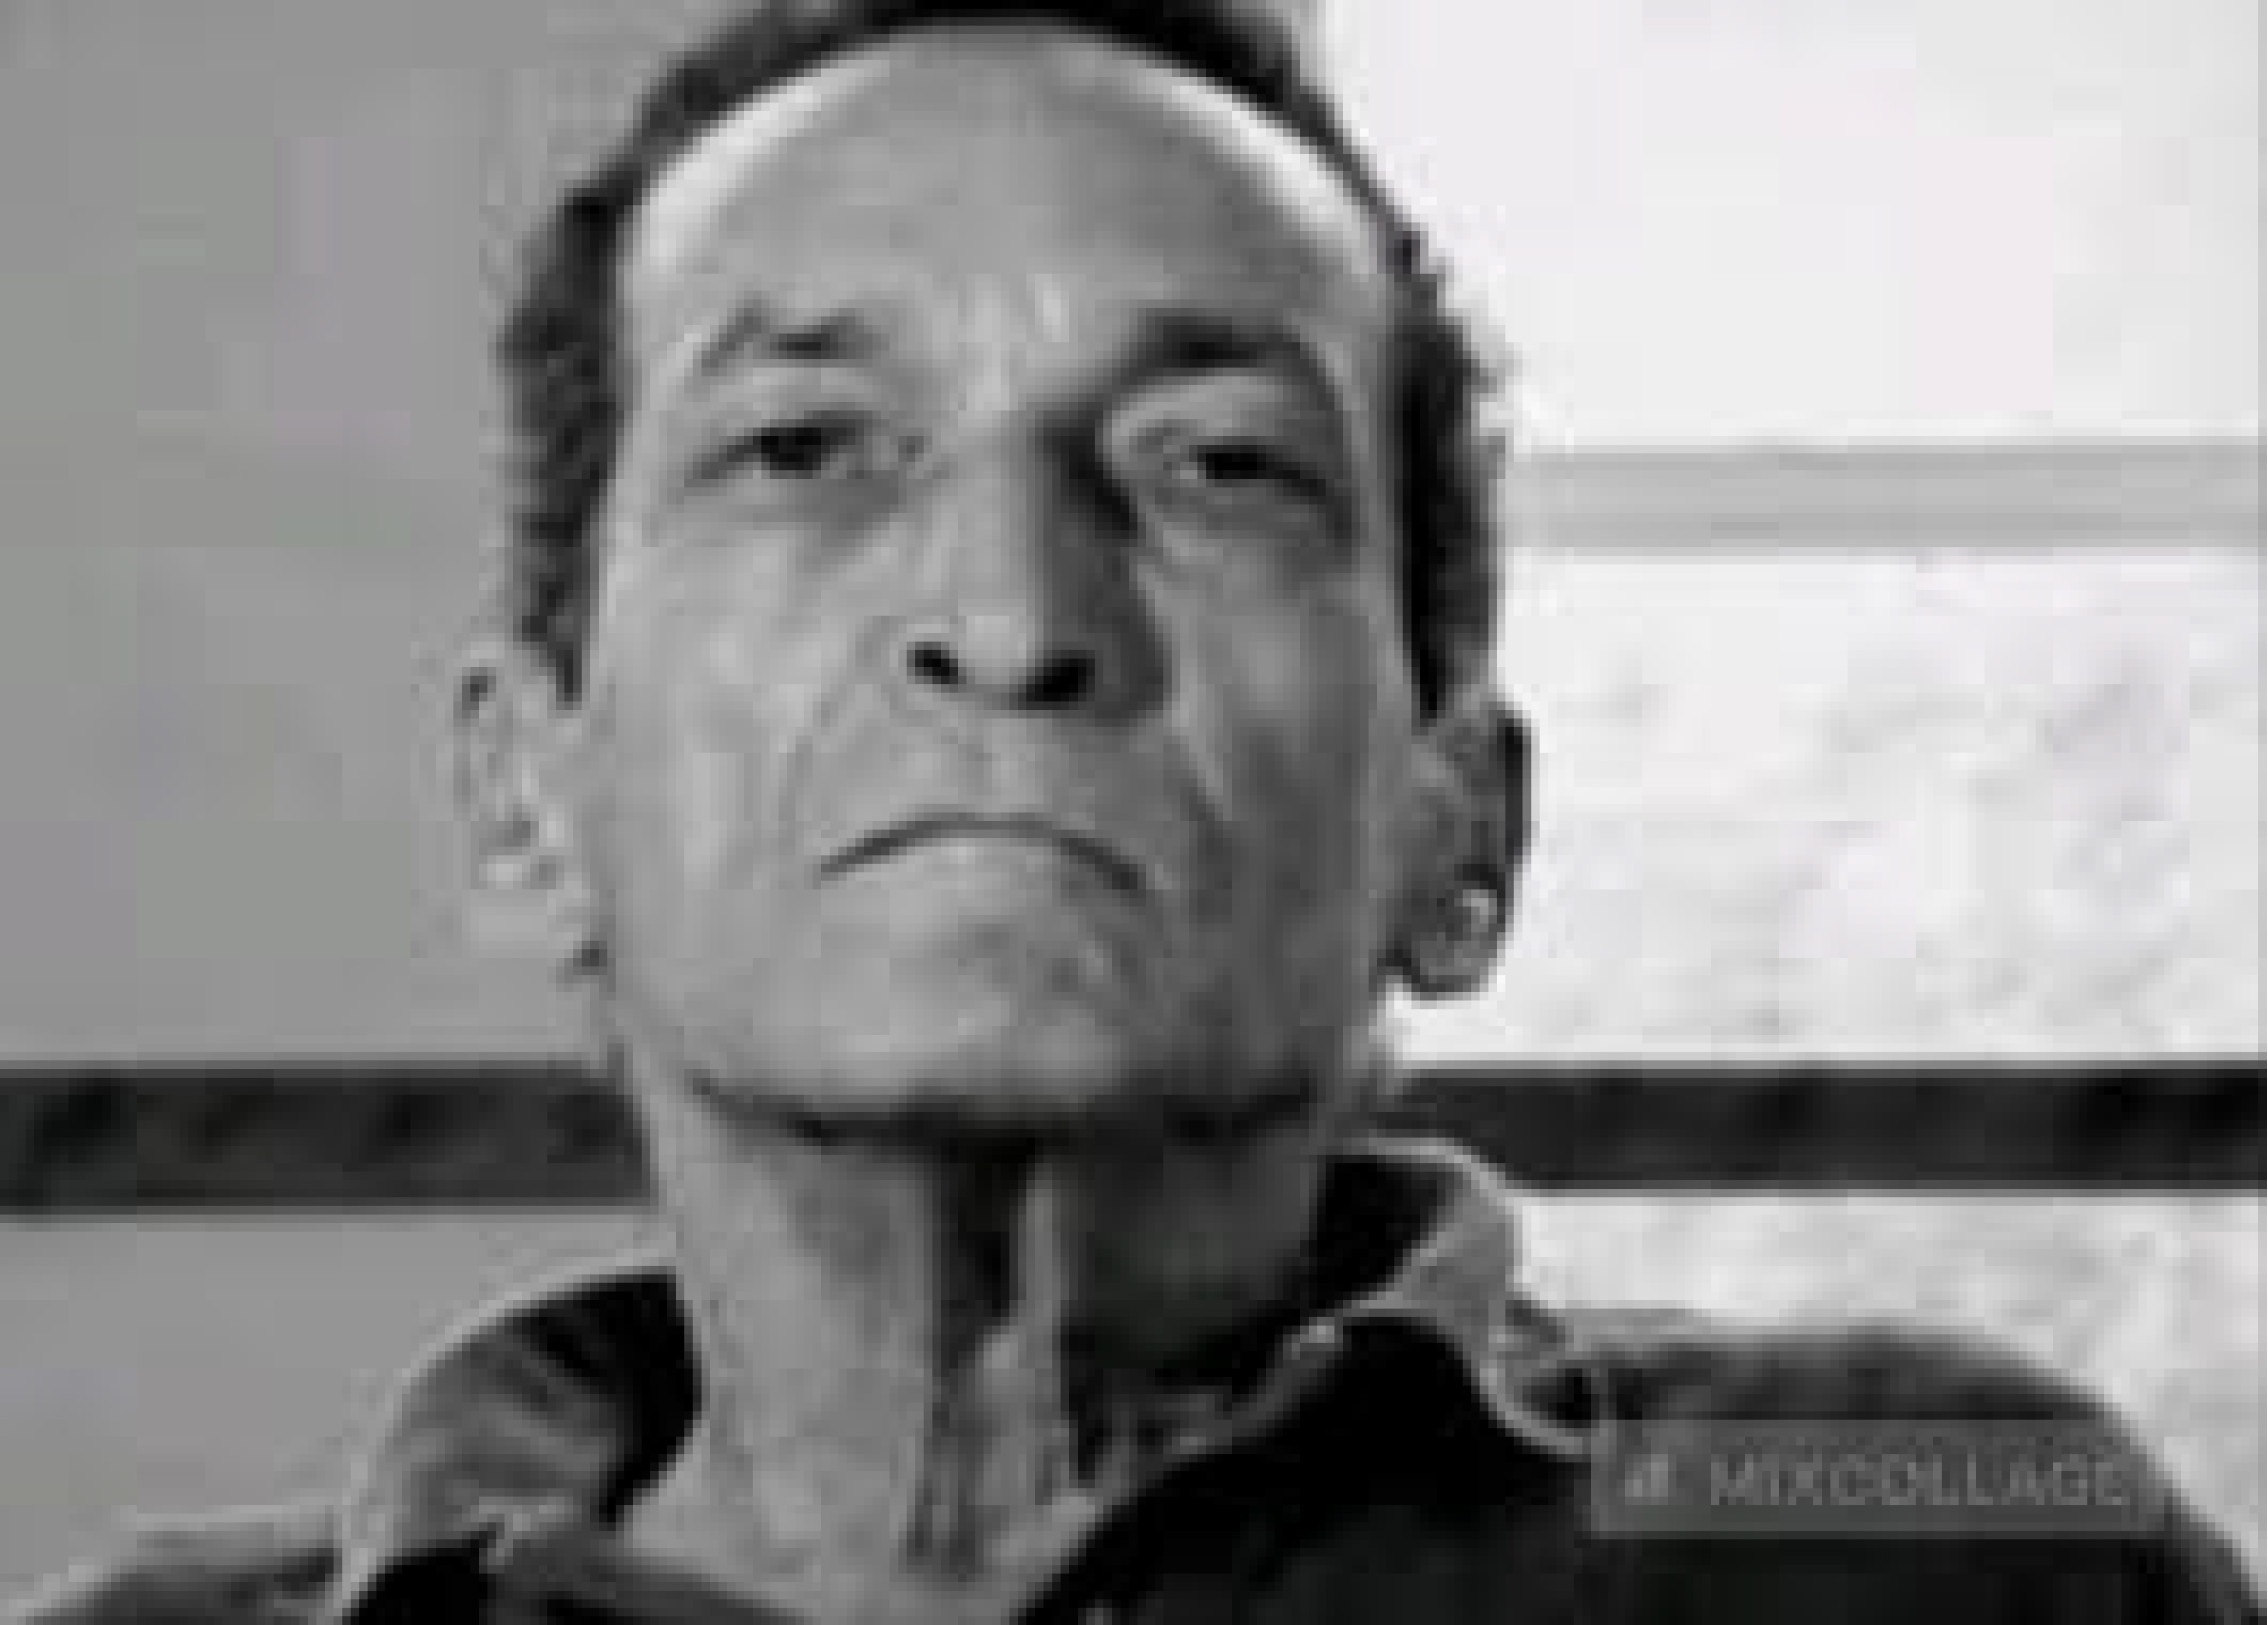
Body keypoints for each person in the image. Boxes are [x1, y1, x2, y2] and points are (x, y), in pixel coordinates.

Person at [19, 1, 2258, 1620]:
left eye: (1218, 466)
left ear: (1460, 828)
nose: (1011, 619)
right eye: (804, 448)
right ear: (528, 796)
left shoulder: (1940, 1529)